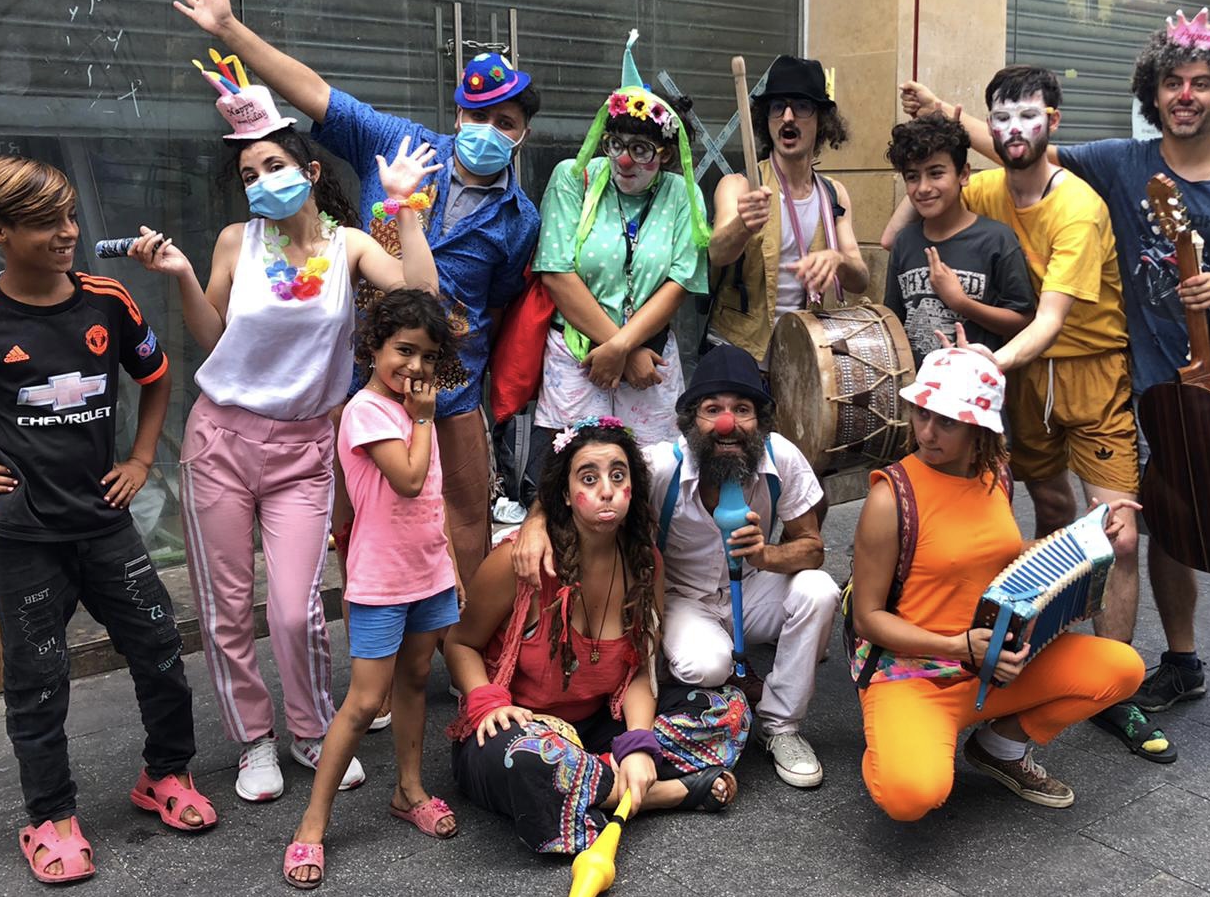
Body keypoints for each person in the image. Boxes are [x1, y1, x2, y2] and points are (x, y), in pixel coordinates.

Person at [905, 10, 1210, 770]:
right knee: (1166, 524)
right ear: (1153, 92)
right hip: (1151, 389)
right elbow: (1017, 143)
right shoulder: (1117, 162)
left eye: (1200, 83)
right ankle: (1177, 659)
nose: (1185, 95)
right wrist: (943, 115)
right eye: (1172, 82)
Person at [0, 156, 215, 884]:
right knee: (40, 680)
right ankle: (51, 817)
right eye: (44, 223)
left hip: (105, 525)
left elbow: (155, 378)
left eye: (68, 216)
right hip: (23, 538)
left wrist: (141, 457)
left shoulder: (107, 300)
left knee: (159, 645)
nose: (67, 232)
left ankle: (167, 773)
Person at [127, 76, 439, 802]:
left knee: (295, 605)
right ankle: (253, 741)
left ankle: (309, 727)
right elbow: (212, 340)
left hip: (303, 449)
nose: (260, 182)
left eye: (272, 166)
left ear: (310, 169)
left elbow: (419, 301)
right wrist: (177, 277)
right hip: (222, 442)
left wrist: (406, 210)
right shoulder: (237, 240)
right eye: (247, 174)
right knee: (226, 604)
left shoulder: (350, 244)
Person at [173, 0, 541, 585]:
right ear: (458, 114)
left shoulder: (520, 218)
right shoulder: (396, 142)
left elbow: (497, 308)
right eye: (479, 117)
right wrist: (229, 30)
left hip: (450, 383)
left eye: (505, 123)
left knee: (464, 514)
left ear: (522, 134)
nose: (489, 133)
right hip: (358, 378)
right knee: (354, 511)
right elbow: (314, 93)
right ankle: (374, 632)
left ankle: (460, 651)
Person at [891, 65, 1154, 759]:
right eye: (1000, 120)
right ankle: (1042, 650)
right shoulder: (981, 186)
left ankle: (1113, 681)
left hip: (1087, 370)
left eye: (1028, 117)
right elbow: (928, 190)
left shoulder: (1080, 206)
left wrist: (980, 364)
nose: (1013, 132)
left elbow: (1047, 318)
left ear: (1053, 122)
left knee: (1119, 533)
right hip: (1024, 385)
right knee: (1047, 512)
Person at [514, 345, 840, 789]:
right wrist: (535, 523)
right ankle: (700, 679)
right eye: (713, 409)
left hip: (754, 587)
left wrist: (767, 555)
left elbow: (812, 548)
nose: (727, 423)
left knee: (818, 591)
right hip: (684, 599)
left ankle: (781, 726)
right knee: (708, 667)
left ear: (760, 420)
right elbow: (569, 483)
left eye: (742, 409)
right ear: (691, 420)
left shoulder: (779, 457)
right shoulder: (660, 465)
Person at [850, 342, 1145, 821]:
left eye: (946, 421)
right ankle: (899, 741)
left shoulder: (995, 476)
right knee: (910, 797)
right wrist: (958, 646)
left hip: (998, 663)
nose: (926, 432)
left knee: (1121, 669)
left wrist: (1091, 537)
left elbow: (998, 555)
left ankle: (1000, 748)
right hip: (917, 673)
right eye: (922, 413)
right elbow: (868, 618)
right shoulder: (892, 496)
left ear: (979, 427)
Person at [446, 417, 750, 854]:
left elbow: (640, 673)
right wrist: (485, 701)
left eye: (618, 475)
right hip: (517, 726)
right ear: (565, 495)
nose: (606, 489)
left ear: (633, 488)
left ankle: (597, 781)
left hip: (598, 726)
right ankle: (667, 793)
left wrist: (640, 744)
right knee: (526, 761)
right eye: (589, 478)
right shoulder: (519, 561)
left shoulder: (645, 566)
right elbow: (460, 643)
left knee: (729, 709)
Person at [283, 288, 466, 889]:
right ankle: (311, 826)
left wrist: (453, 568)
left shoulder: (414, 413)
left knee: (415, 680)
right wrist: (421, 419)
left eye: (428, 357)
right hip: (382, 582)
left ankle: (408, 791)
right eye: (403, 351)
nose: (415, 368)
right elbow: (409, 481)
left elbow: (431, 502)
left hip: (429, 574)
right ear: (373, 348)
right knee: (364, 702)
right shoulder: (368, 411)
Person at [534, 30, 711, 446]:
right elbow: (556, 273)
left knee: (654, 478)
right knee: (573, 476)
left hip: (650, 362)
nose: (625, 159)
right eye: (615, 144)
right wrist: (619, 350)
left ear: (666, 152)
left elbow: (681, 281)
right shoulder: (573, 178)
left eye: (642, 149)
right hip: (579, 356)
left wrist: (627, 349)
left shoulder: (683, 194)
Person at [707, 55, 869, 368]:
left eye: (802, 106)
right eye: (778, 107)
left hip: (802, 358)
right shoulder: (739, 185)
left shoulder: (833, 195)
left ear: (822, 119)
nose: (788, 117)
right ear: (766, 120)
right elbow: (717, 253)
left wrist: (838, 260)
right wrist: (743, 225)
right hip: (737, 355)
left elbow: (860, 280)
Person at [882, 113, 1037, 363]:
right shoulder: (905, 242)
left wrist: (961, 302)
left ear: (963, 174)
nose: (923, 187)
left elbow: (1024, 321)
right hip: (916, 392)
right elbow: (893, 322)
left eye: (936, 173)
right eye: (912, 176)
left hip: (972, 391)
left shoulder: (996, 239)